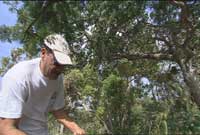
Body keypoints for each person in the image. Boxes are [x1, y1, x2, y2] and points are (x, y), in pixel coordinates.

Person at [0, 34, 85, 135]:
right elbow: (5, 128)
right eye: (57, 63)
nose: (60, 69)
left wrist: (76, 128)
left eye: (64, 65)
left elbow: (57, 110)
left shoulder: (58, 77)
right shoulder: (19, 76)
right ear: (43, 53)